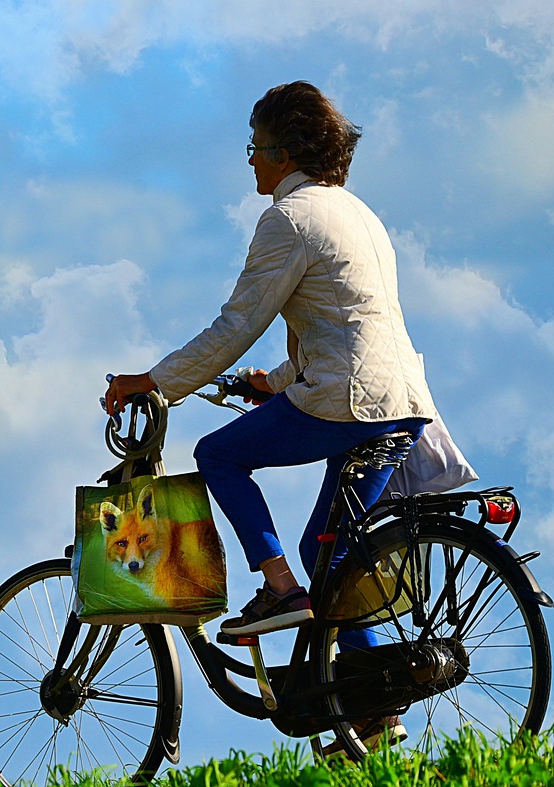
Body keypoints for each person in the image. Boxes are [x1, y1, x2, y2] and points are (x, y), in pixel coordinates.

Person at [104, 81, 436, 648]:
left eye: (255, 146)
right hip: (401, 404)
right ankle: (369, 698)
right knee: (326, 554)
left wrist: (155, 381)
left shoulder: (289, 219)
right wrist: (274, 383)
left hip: (347, 403)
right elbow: (344, 324)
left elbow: (237, 324)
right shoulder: (358, 214)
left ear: (284, 153)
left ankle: (280, 589)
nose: (251, 159)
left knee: (218, 453)